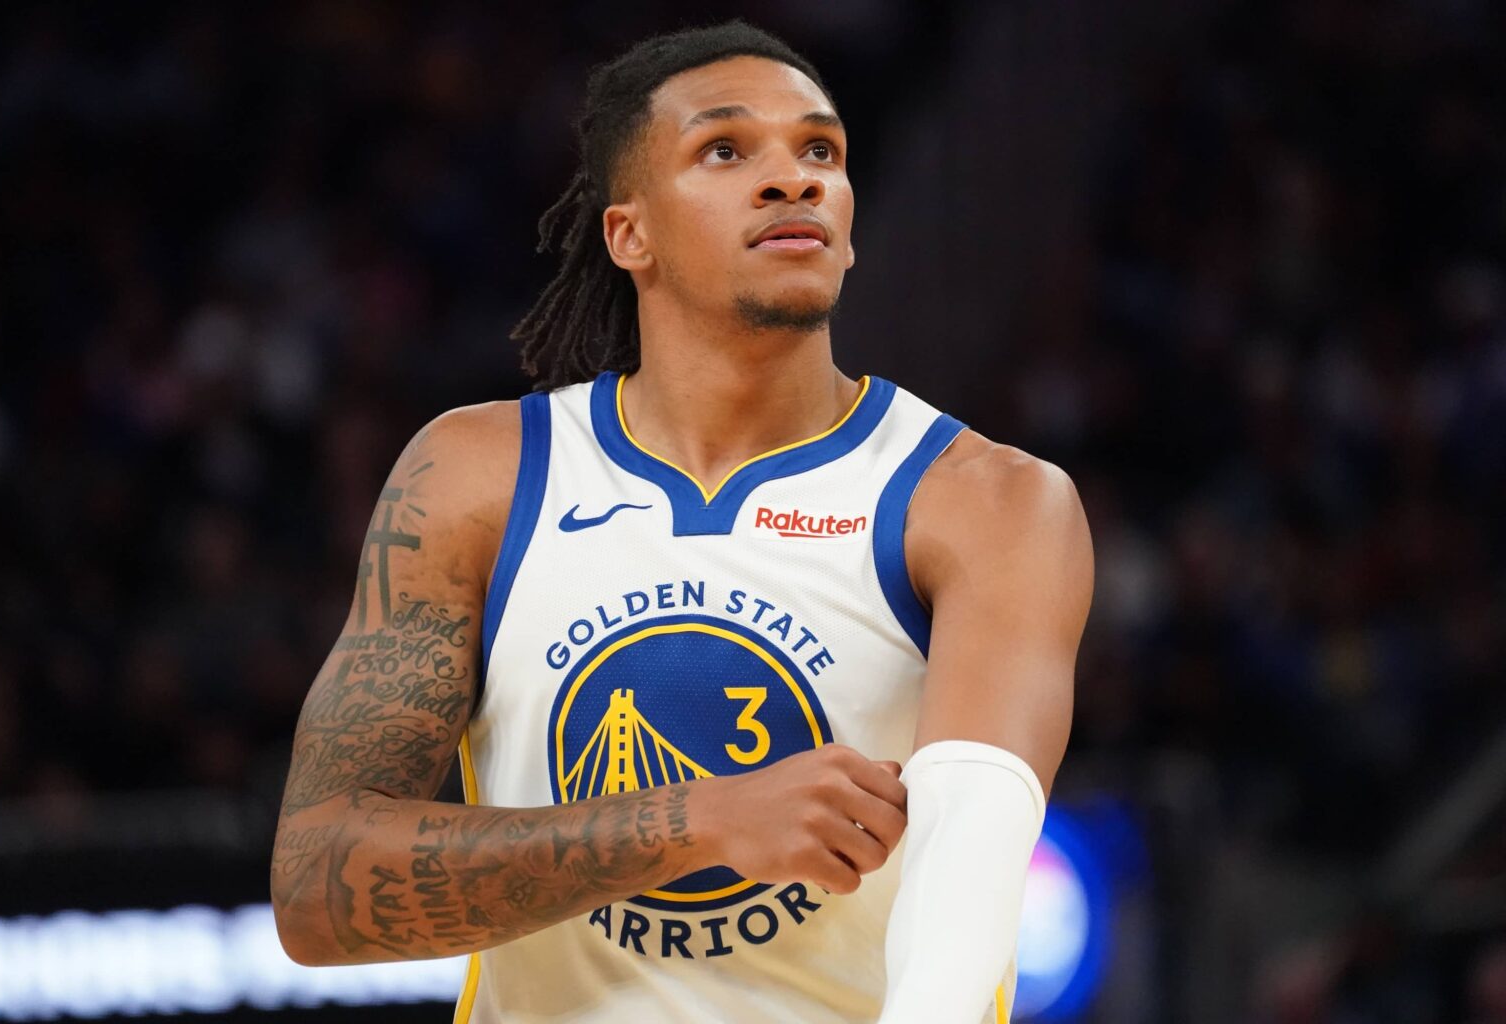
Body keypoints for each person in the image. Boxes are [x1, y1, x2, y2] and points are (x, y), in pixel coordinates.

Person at [269, 18, 1092, 1024]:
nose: (793, 179)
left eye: (820, 151)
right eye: (725, 150)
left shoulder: (985, 499)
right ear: (631, 234)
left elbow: (970, 869)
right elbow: (317, 888)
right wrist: (697, 819)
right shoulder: (480, 476)